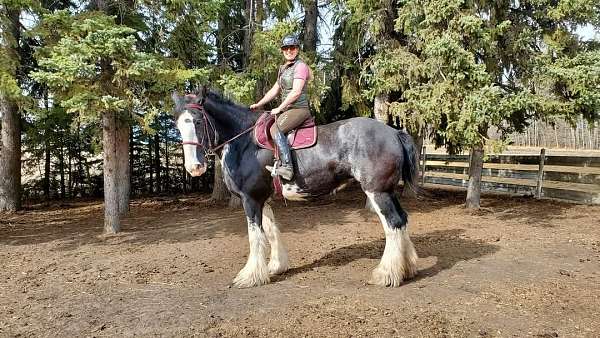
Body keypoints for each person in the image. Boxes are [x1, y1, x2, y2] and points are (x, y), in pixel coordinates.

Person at [250, 35, 312, 180]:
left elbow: (296, 91)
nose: (289, 51)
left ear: (297, 49)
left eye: (292, 48)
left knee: (275, 129)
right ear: (282, 50)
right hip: (288, 110)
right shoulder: (283, 69)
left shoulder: (301, 66)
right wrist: (259, 103)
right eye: (286, 48)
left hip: (299, 109)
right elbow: (274, 90)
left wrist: (279, 107)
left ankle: (287, 167)